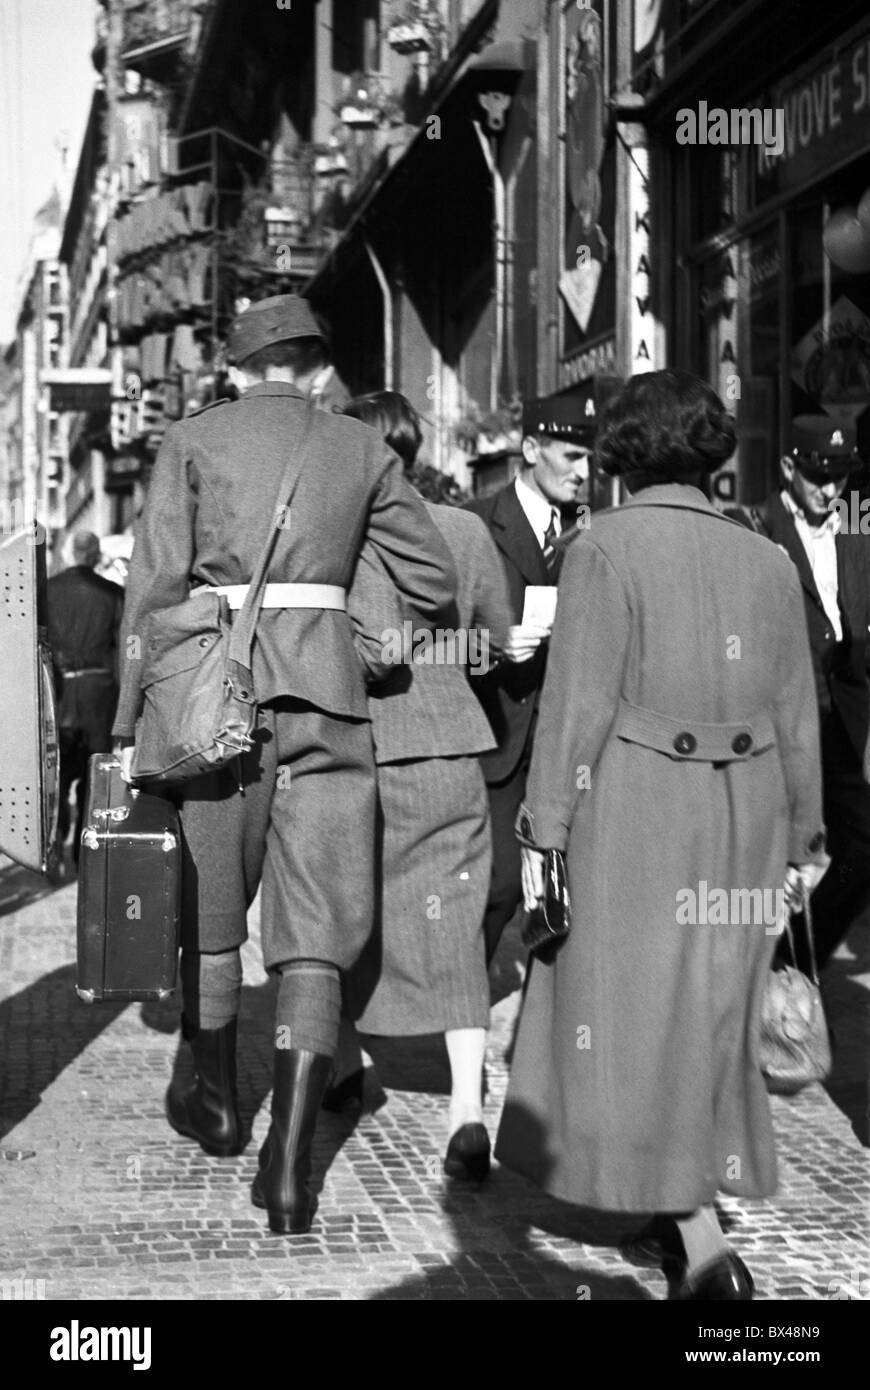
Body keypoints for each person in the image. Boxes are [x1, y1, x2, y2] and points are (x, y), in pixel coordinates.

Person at [112, 295, 457, 1235]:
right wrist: (346, 619)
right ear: (316, 367)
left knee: (216, 904)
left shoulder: (191, 441)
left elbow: (152, 593)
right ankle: (290, 1168)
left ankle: (218, 1103)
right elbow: (433, 580)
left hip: (213, 707)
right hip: (329, 705)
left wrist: (123, 722)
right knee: (314, 928)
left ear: (235, 367)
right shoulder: (359, 448)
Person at [495, 369, 828, 1300]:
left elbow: (576, 706)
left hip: (641, 805)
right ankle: (670, 1207)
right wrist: (806, 833)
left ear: (624, 452)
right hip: (751, 807)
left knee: (636, 1016)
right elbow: (797, 709)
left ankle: (704, 1243)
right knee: (713, 1011)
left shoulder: (604, 547)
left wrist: (544, 828)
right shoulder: (765, 554)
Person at [331, 391, 512, 1178]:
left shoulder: (337, 541)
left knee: (338, 904)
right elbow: (495, 644)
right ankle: (467, 1109)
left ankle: (344, 1063)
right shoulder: (466, 529)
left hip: (354, 745)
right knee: (456, 918)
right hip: (448, 745)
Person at [728, 417, 870, 973]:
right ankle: (745, 986)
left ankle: (793, 963)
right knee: (770, 858)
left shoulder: (857, 530)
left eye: (840, 477)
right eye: (818, 477)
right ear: (788, 468)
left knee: (863, 846)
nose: (831, 491)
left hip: (845, 720)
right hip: (781, 722)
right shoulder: (755, 530)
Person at [463, 395, 593, 964]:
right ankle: (456, 1008)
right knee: (496, 891)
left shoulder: (590, 533)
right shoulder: (473, 523)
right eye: (572, 456)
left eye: (591, 459)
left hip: (567, 743)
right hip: (497, 739)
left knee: (566, 894)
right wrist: (487, 646)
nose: (585, 473)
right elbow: (425, 638)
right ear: (532, 449)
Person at [45, 530, 123, 868]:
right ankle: (84, 847)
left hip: (58, 690)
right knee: (95, 771)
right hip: (99, 692)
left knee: (57, 769)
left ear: (68, 553)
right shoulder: (115, 593)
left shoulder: (46, 591)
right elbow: (124, 651)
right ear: (94, 556)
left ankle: (55, 843)